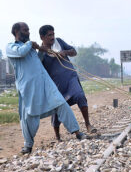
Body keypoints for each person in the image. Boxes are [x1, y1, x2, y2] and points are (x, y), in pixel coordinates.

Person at [6, 22, 86, 154]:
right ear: (16, 32)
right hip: (28, 87)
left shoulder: (30, 48)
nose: (28, 32)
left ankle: (77, 133)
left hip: (45, 83)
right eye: (25, 30)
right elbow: (21, 52)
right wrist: (32, 44)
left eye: (28, 30)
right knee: (28, 116)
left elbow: (37, 61)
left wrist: (43, 50)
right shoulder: (11, 47)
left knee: (61, 104)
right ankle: (28, 145)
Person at [38, 25, 97, 141]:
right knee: (57, 110)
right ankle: (57, 136)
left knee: (80, 96)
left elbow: (74, 52)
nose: (52, 37)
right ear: (42, 37)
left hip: (71, 79)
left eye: (53, 34)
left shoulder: (59, 43)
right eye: (49, 35)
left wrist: (65, 52)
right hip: (56, 86)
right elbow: (39, 72)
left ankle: (88, 124)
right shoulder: (41, 54)